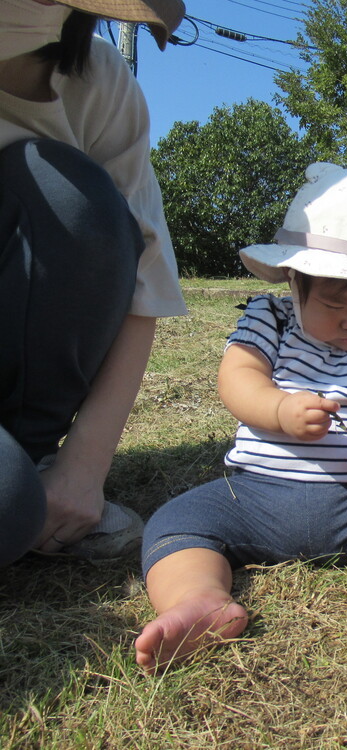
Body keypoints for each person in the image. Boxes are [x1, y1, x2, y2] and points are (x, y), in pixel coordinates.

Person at [134, 163, 347, 672]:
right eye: (333, 306)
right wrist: (279, 408)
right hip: (254, 494)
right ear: (294, 281)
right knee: (177, 522)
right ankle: (197, 600)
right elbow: (237, 377)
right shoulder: (271, 319)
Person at [0, 0, 188, 565]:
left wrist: (82, 470)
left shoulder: (99, 82)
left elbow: (142, 287)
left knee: (72, 196)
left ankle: (28, 460)